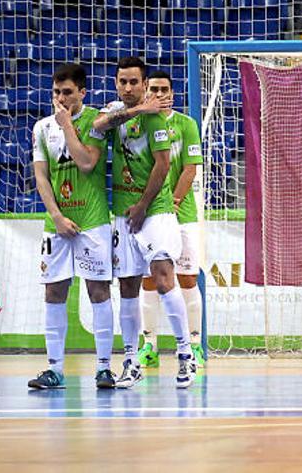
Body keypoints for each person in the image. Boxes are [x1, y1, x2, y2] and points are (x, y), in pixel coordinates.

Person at [92, 56, 196, 389]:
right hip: (123, 213)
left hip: (155, 211)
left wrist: (142, 206)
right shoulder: (120, 112)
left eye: (134, 82)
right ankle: (131, 361)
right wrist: (137, 110)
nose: (127, 87)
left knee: (165, 278)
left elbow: (163, 165)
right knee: (127, 287)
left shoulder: (158, 122)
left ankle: (185, 354)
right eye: (122, 81)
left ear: (144, 83)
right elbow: (97, 126)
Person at [28, 64, 116, 390]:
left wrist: (67, 126)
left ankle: (104, 368)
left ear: (82, 92)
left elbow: (87, 162)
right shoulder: (41, 128)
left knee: (98, 290)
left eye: (67, 92)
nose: (61, 98)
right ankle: (54, 369)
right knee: (54, 291)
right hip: (58, 224)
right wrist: (56, 217)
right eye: (56, 92)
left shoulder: (96, 122)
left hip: (93, 221)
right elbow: (41, 176)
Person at [136, 71, 206, 369]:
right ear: (145, 92)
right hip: (150, 214)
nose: (160, 94)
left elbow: (190, 169)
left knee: (188, 277)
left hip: (182, 213)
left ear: (173, 94)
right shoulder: (137, 124)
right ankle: (149, 345)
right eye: (154, 89)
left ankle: (194, 345)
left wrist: (174, 201)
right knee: (148, 280)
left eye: (165, 89)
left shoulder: (186, 124)